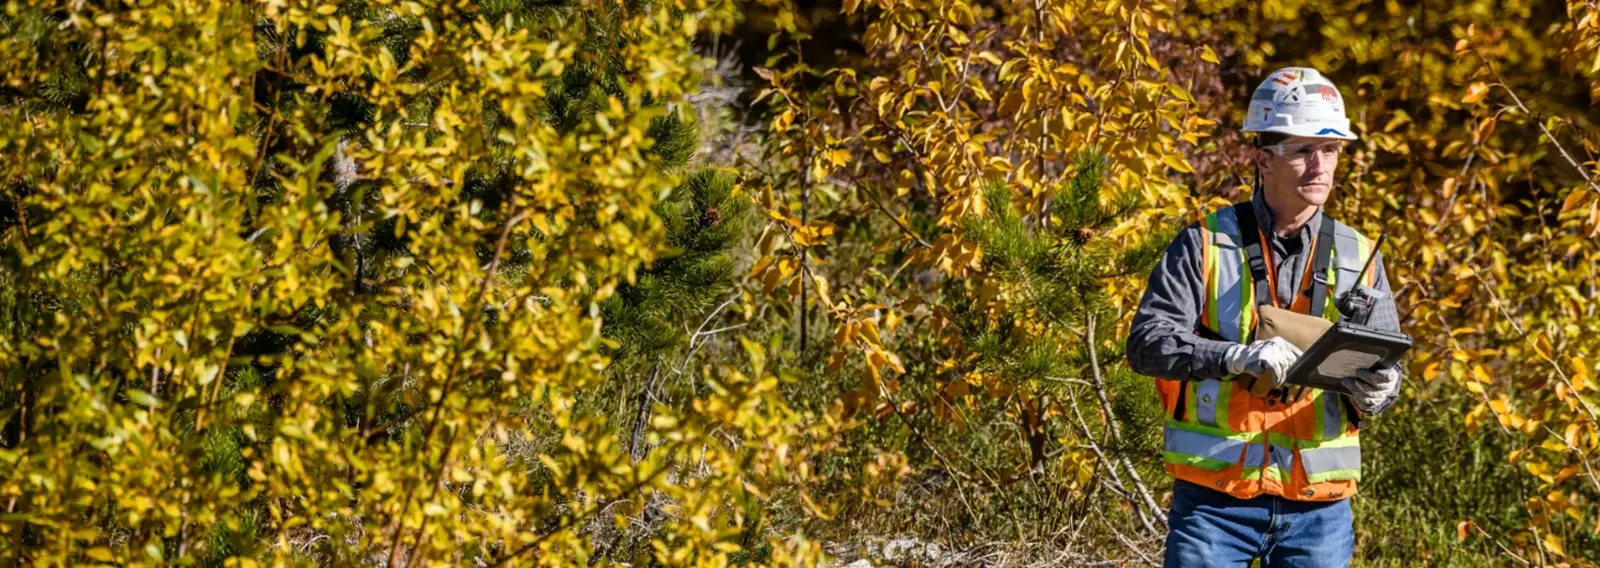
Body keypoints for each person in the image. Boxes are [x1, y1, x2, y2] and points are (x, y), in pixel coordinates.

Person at [1125, 67, 1406, 568]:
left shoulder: (1361, 254)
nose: (1320, 166)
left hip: (1318, 511)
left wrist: (1383, 388)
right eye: (1302, 151)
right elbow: (1148, 343)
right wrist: (1234, 356)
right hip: (1215, 502)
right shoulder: (1205, 243)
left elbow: (1386, 360)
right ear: (1263, 160)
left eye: (1332, 150)